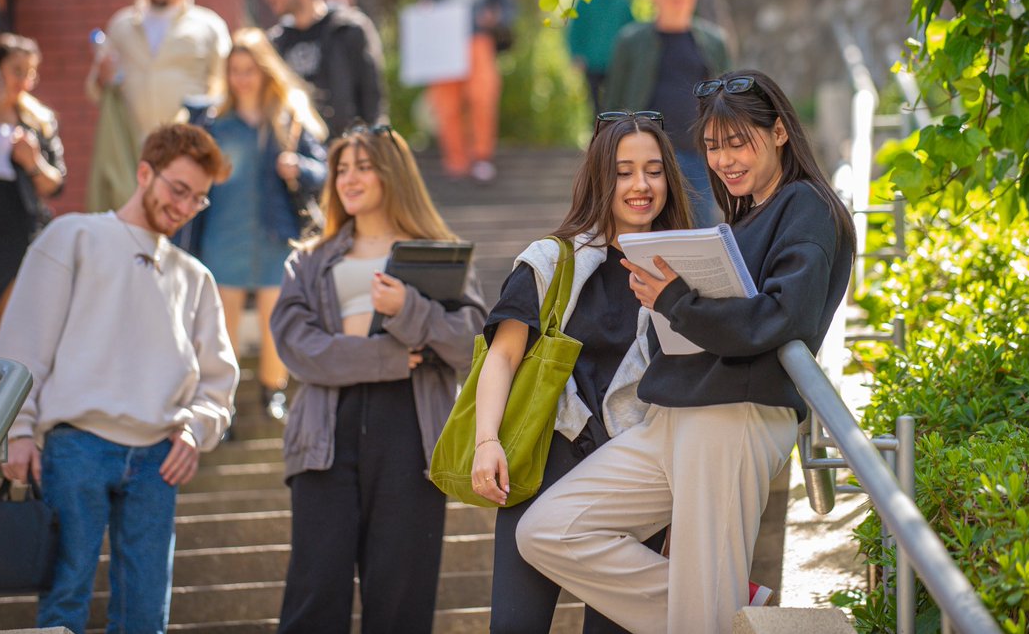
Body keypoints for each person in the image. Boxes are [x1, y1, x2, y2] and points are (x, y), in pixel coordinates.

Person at [515, 70, 855, 634]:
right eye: (714, 147)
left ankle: (721, 615)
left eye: (738, 141)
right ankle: (735, 618)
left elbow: (782, 316)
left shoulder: (807, 206)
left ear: (778, 134)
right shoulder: (744, 216)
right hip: (672, 413)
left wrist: (676, 301)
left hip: (733, 416)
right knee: (549, 528)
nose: (724, 160)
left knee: (704, 604)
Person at [0, 124, 239, 634]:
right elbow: (23, 342)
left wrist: (196, 429)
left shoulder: (196, 277)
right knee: (64, 602)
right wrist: (17, 430)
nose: (185, 206)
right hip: (74, 448)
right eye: (178, 189)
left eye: (198, 199)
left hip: (159, 461)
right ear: (144, 172)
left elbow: (218, 382)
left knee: (146, 618)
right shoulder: (74, 235)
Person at [472, 111, 693, 632]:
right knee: (515, 625)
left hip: (629, 474)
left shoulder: (689, 267)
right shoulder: (552, 260)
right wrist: (486, 441)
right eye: (623, 171)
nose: (641, 185)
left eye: (654, 170)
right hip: (545, 460)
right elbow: (502, 355)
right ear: (599, 177)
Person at [270, 124, 486, 633]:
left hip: (411, 436)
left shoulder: (440, 252)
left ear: (392, 173)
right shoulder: (308, 260)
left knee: (401, 599)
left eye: (363, 166)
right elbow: (299, 350)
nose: (349, 177)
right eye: (342, 168)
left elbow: (474, 344)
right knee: (315, 594)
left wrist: (410, 308)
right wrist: (387, 357)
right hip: (324, 435)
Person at [178, 28, 328, 421]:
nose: (242, 78)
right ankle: (220, 405)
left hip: (274, 235)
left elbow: (324, 170)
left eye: (249, 69)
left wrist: (299, 169)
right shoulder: (213, 122)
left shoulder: (288, 117)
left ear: (265, 70)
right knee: (219, 330)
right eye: (235, 70)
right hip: (223, 234)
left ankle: (271, 391)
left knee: (274, 323)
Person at [605, 0, 731, 226]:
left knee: (699, 235)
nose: (681, 4)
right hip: (645, 158)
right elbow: (613, 104)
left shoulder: (713, 42)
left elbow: (730, 105)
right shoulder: (631, 41)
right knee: (643, 234)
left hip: (698, 158)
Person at [87, 0, 231, 143]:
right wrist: (102, 77)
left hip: (188, 146)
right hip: (132, 150)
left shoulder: (209, 26)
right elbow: (94, 91)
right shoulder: (121, 25)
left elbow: (223, 87)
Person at [0, 34, 65, 353]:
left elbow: (56, 184)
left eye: (30, 72)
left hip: (19, 232)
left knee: (7, 332)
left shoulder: (40, 121)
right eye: (16, 69)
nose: (24, 80)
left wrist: (33, 162)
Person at [421, 0, 517, 183]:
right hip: (445, 44)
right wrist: (426, 8)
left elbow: (508, 5)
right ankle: (455, 161)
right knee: (446, 103)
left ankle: (482, 157)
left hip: (478, 41)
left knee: (482, 97)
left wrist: (495, 17)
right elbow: (424, 3)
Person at [264, 0, 386, 139]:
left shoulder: (348, 29)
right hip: (296, 155)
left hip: (344, 149)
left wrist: (368, 144)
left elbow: (372, 96)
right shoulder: (276, 41)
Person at [567, 0, 635, 114]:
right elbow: (575, 31)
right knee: (595, 106)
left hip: (617, 62)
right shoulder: (585, 1)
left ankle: (616, 136)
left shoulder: (621, 0)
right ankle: (598, 135)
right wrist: (576, 54)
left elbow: (632, 29)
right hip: (592, 63)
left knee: (617, 104)